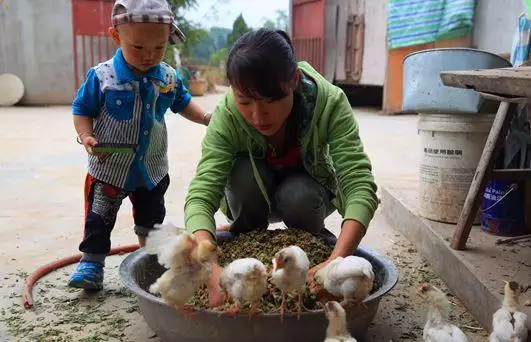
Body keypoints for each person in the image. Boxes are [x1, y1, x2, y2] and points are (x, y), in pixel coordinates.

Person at [183, 28, 379, 307]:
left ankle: (313, 243)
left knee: (298, 194)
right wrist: (213, 271)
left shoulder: (329, 103)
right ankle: (245, 237)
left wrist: (335, 263)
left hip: (306, 195)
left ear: (294, 81)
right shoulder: (226, 115)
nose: (258, 115)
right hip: (250, 196)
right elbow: (201, 195)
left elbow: (359, 184)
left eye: (271, 100)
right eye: (245, 101)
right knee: (242, 175)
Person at [68, 0, 212, 291]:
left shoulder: (168, 77)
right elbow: (81, 109)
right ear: (116, 36)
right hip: (110, 167)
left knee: (152, 219)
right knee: (100, 216)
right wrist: (86, 136)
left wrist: (207, 117)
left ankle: (150, 259)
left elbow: (183, 104)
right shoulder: (102, 77)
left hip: (151, 168)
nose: (150, 55)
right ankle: (92, 262)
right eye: (138, 47)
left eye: (159, 48)